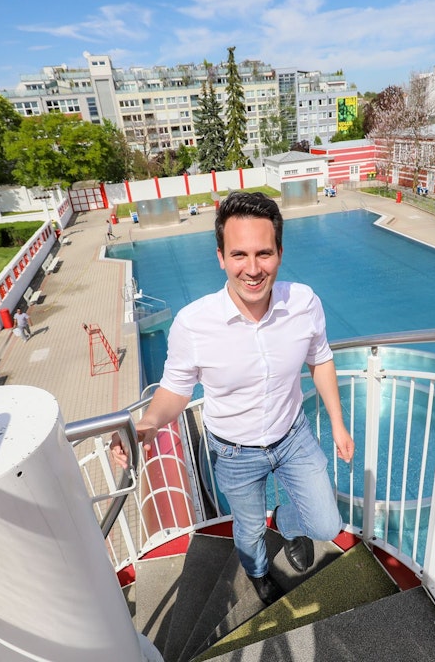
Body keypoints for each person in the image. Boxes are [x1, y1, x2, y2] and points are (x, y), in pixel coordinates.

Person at [112, 191, 354, 606]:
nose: (253, 269)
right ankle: (258, 573)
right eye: (239, 254)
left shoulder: (304, 303)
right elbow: (175, 389)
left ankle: (287, 521)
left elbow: (321, 358)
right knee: (248, 528)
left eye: (264, 253)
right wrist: (148, 426)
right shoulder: (194, 324)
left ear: (279, 251)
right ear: (221, 257)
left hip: (294, 435)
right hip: (234, 451)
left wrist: (337, 422)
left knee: (327, 521)